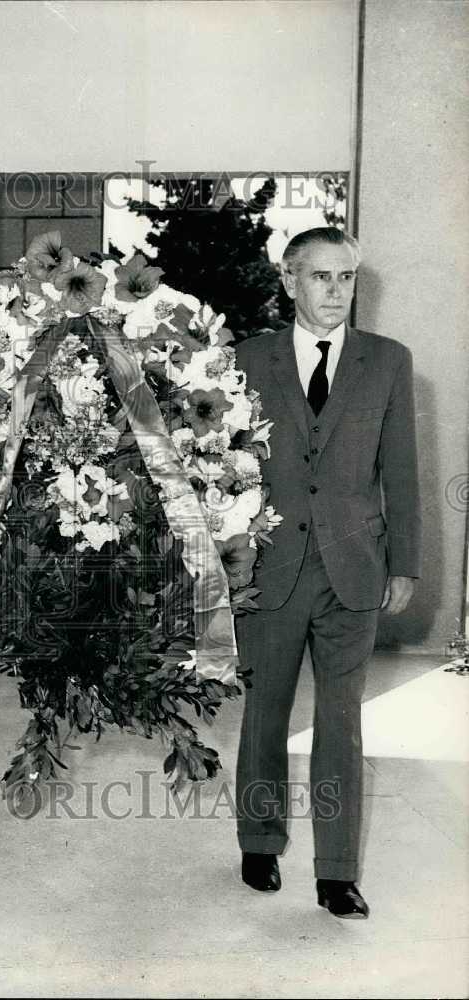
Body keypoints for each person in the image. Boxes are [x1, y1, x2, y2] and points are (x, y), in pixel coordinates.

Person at [233, 227, 421, 918]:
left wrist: (405, 564)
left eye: (346, 277)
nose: (336, 291)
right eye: (321, 277)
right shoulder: (248, 360)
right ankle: (258, 840)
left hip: (355, 569)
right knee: (264, 716)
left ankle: (336, 871)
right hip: (271, 568)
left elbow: (399, 470)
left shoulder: (389, 361)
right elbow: (224, 467)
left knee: (341, 723)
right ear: (289, 281)